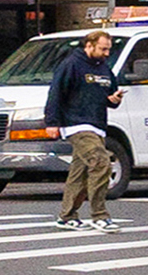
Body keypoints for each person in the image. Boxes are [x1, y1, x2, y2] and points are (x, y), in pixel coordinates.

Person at [47, 31, 126, 234]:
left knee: (80, 172)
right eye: (102, 48)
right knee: (100, 163)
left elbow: (110, 96)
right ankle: (99, 216)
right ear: (89, 45)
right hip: (76, 124)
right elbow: (56, 92)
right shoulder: (71, 64)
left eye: (108, 48)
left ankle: (67, 216)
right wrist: (52, 122)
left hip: (97, 123)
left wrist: (115, 99)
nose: (106, 53)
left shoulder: (104, 68)